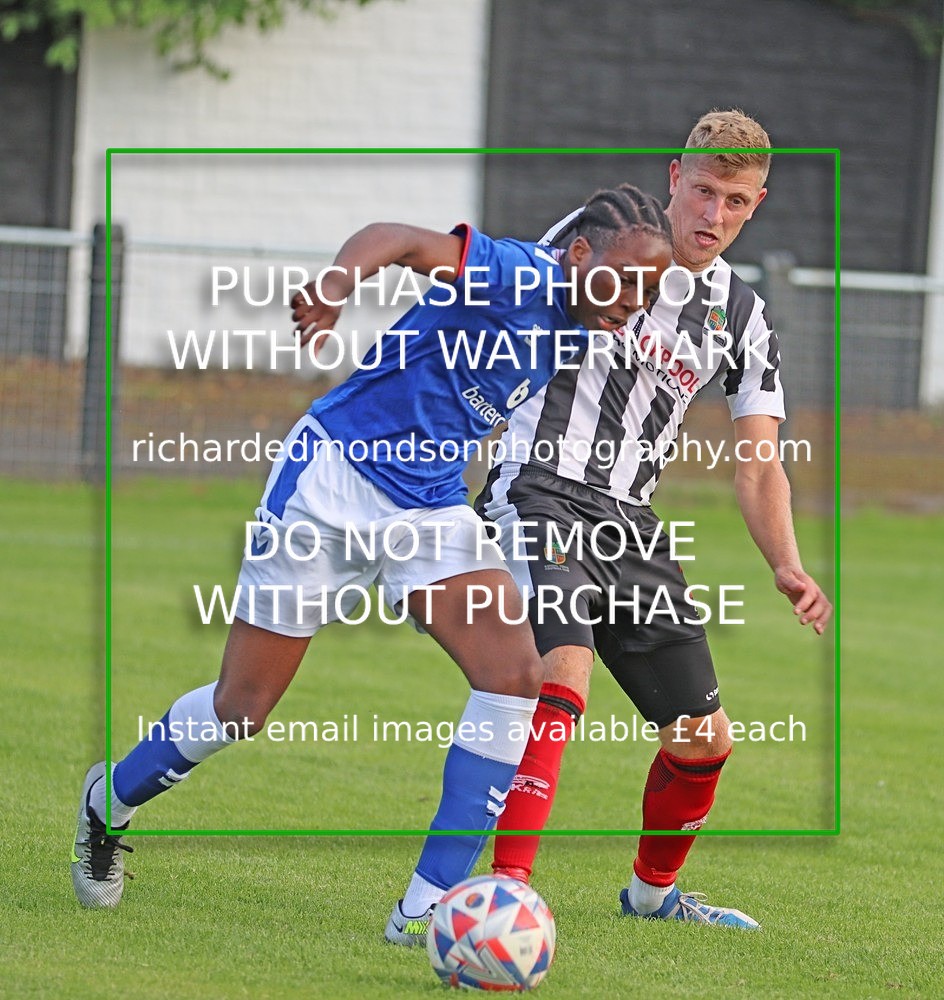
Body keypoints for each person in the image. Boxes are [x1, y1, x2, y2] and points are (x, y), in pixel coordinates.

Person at [69, 185, 675, 926]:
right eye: (626, 278)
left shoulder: (582, 323)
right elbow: (398, 238)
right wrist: (335, 285)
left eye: (650, 288)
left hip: (425, 504)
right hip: (330, 483)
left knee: (514, 676)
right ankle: (110, 801)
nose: (635, 300)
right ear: (580, 254)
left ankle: (425, 913)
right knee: (242, 709)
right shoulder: (520, 273)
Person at [476, 109, 832, 930]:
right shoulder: (604, 236)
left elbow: (759, 459)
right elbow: (503, 317)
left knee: (704, 739)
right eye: (704, 191)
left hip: (627, 522)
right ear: (676, 177)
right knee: (563, 671)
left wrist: (785, 562)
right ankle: (507, 897)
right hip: (537, 487)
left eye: (735, 201)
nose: (714, 216)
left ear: (757, 203)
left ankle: (652, 897)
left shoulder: (742, 317)